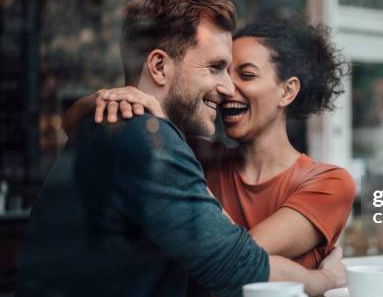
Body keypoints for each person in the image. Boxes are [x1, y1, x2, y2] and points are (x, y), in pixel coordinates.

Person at [15, 0, 345, 297]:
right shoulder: (143, 136)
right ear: (159, 66)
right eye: (217, 68)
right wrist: (326, 279)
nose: (228, 87)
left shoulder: (119, 126)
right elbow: (238, 267)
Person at [66, 19, 356, 271]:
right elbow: (73, 125)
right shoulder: (197, 155)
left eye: (247, 74)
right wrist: (112, 98)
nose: (226, 88)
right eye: (222, 73)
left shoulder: (329, 183)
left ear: (287, 91)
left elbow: (236, 255)